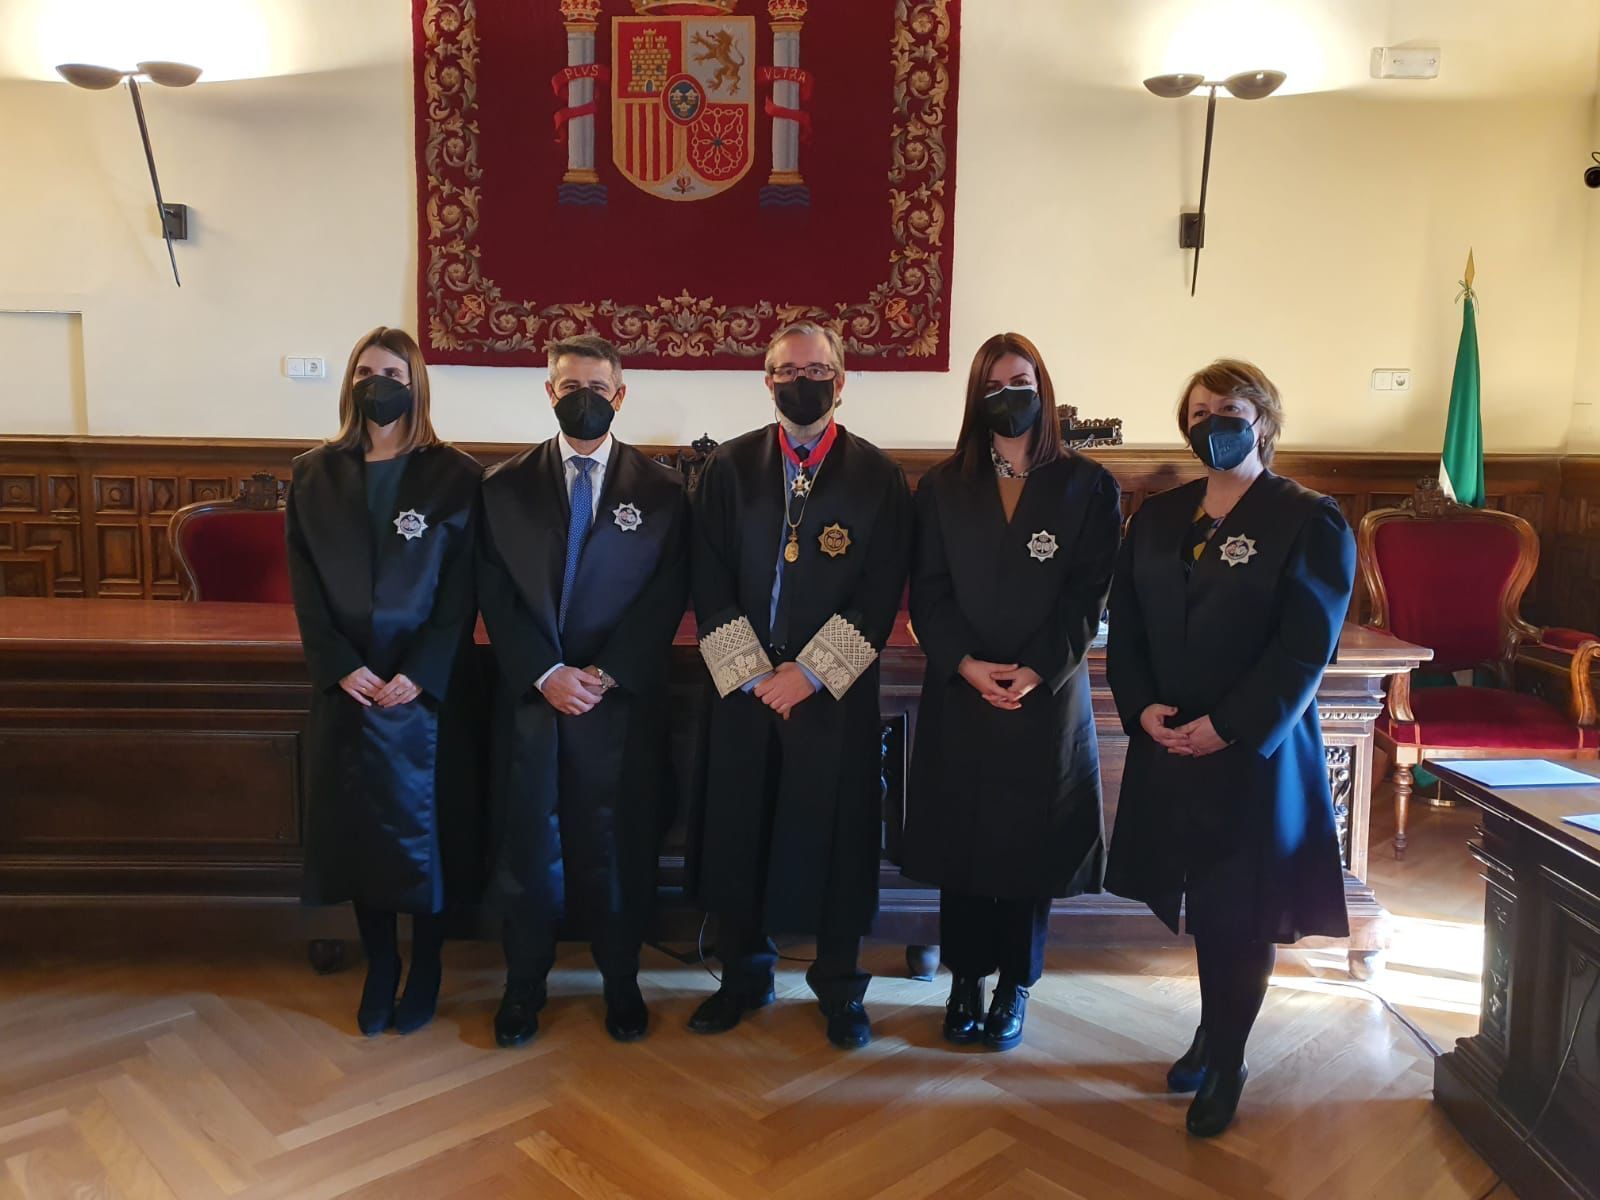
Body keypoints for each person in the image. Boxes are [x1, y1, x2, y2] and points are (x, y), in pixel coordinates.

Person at [1105, 358, 1356, 1137]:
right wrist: (1141, 706)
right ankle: (1213, 1031)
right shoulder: (1158, 516)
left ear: (1264, 423)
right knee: (1198, 900)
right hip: (1168, 740)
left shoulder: (1307, 518)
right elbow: (1130, 627)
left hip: (1253, 752)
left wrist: (1230, 725)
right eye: (1200, 408)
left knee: (1240, 911)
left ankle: (1228, 1060)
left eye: (1230, 409)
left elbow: (1303, 650)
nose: (1212, 420)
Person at [688, 321, 912, 1050]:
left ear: (841, 381)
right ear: (767, 380)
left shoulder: (878, 475)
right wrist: (756, 674)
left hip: (830, 695)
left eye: (816, 369)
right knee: (739, 832)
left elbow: (880, 593)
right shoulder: (728, 467)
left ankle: (840, 988)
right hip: (746, 689)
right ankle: (743, 978)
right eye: (787, 369)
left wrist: (810, 674)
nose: (801, 380)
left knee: (840, 838)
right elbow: (708, 577)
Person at [902, 333, 1121, 1051]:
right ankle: (964, 978)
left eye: (1020, 380)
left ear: (1044, 388)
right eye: (993, 384)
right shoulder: (942, 487)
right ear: (976, 396)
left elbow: (1088, 597)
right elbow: (927, 594)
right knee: (962, 840)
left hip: (1045, 695)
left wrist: (1035, 669)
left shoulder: (1087, 485)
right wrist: (965, 664)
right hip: (962, 690)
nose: (1009, 395)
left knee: (1029, 845)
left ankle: (1013, 987)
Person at [477, 334, 688, 1047]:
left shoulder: (661, 492)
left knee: (617, 849)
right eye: (570, 386)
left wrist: (604, 674)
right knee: (529, 851)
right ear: (549, 392)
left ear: (621, 395)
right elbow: (495, 593)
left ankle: (621, 979)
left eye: (598, 387)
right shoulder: (503, 486)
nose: (584, 398)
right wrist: (546, 671)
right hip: (536, 701)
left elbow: (666, 596)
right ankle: (523, 986)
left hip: (616, 705)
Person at [285, 325, 484, 1037]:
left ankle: (426, 966)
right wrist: (344, 668)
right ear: (350, 383)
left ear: (416, 381)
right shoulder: (314, 473)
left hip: (423, 696)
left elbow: (461, 592)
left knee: (424, 838)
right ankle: (381, 965)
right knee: (359, 836)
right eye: (367, 370)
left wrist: (421, 674)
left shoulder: (454, 475)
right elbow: (305, 588)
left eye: (393, 370)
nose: (379, 381)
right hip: (349, 688)